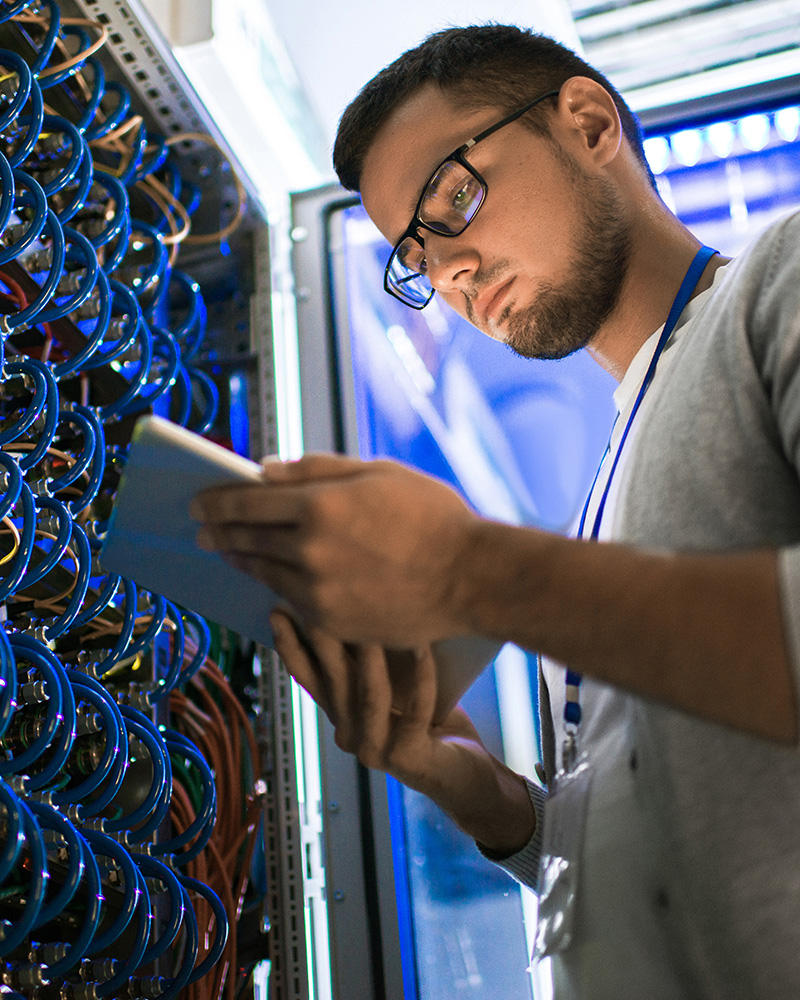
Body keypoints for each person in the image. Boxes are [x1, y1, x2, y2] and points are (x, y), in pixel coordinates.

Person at [191, 24, 800, 999]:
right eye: (415, 256)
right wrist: (481, 793)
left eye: (451, 197)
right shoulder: (612, 477)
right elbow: (666, 834)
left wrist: (467, 571)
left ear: (588, 123)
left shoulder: (780, 281)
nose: (451, 272)